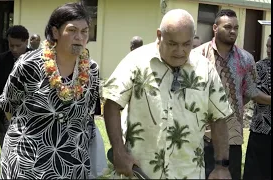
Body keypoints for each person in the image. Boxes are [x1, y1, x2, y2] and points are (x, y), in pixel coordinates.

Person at [103, 9, 233, 179]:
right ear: (159, 35)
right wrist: (119, 151)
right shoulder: (137, 61)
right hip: (140, 172)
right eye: (172, 44)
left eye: (186, 44)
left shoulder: (205, 69)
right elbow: (112, 103)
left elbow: (219, 117)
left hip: (189, 173)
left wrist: (221, 165)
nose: (179, 51)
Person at [0, 2, 104, 179]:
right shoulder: (29, 64)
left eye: (84, 31)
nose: (79, 37)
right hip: (27, 163)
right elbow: (9, 106)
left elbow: (88, 115)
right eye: (72, 30)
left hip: (74, 166)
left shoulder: (91, 70)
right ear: (55, 32)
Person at [194, 9, 271, 180]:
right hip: (200, 135)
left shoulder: (246, 59)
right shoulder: (197, 56)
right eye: (228, 27)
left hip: (232, 137)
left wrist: (232, 106)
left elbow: (250, 93)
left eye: (236, 27)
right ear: (215, 27)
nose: (233, 31)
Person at [0, 25, 31, 148]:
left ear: (26, 42)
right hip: (5, 114)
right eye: (11, 45)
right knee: (7, 151)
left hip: (27, 116)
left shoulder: (35, 59)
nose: (14, 49)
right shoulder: (3, 59)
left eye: (18, 46)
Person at [243, 34, 271, 180]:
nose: (269, 50)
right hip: (261, 130)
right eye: (267, 46)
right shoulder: (259, 66)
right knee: (256, 173)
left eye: (271, 46)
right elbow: (253, 93)